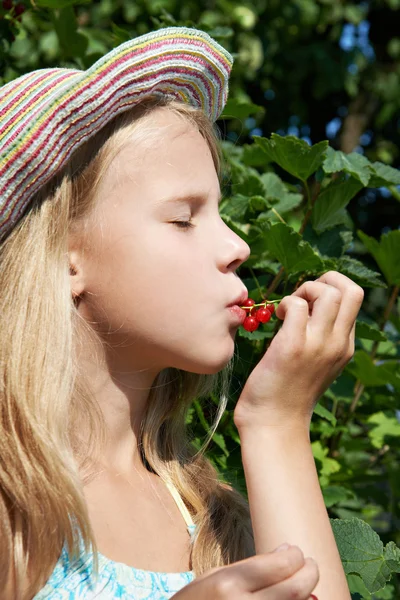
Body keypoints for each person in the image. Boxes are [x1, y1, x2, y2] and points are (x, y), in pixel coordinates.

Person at [0, 26, 363, 600]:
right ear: (65, 260)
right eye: (184, 217)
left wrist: (278, 427)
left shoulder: (214, 521)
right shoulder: (13, 501)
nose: (238, 246)